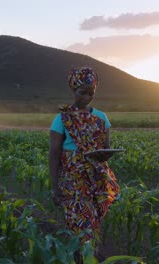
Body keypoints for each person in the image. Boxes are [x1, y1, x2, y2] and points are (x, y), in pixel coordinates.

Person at [49, 66, 120, 247]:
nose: (87, 97)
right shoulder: (63, 118)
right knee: (76, 224)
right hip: (72, 180)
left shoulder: (101, 117)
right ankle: (78, 257)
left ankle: (90, 257)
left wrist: (102, 156)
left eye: (91, 93)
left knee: (93, 225)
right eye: (82, 92)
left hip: (96, 179)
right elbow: (54, 154)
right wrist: (55, 187)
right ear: (74, 90)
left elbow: (106, 148)